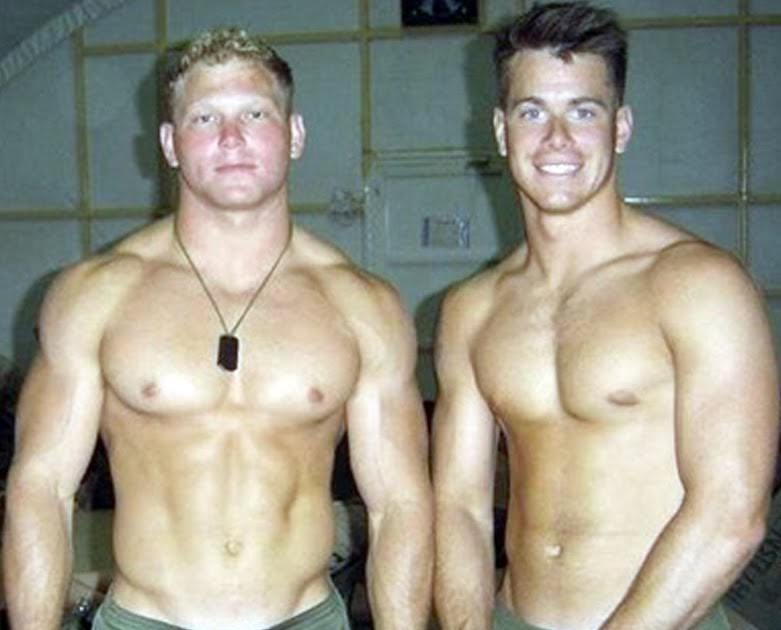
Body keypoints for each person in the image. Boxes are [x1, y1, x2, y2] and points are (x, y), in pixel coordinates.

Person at [2, 26, 433, 630]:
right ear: (169, 143)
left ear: (295, 135)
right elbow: (42, 488)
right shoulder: (95, 296)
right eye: (204, 118)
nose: (232, 138)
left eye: (255, 113)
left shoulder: (361, 305)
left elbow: (400, 505)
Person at [432, 2, 779, 629]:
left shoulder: (697, 286)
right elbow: (459, 507)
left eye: (583, 111)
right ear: (501, 130)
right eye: (532, 111)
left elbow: (731, 513)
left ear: (620, 127)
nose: (556, 138)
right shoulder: (471, 310)